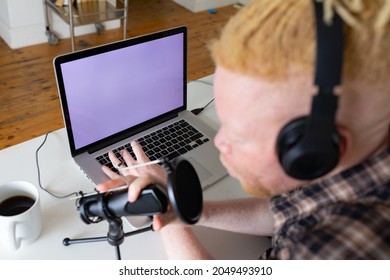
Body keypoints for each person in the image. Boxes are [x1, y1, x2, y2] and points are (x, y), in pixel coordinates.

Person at [97, 0, 390, 259]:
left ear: (313, 150)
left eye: (240, 137)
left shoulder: (334, 250)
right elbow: (291, 211)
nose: (219, 141)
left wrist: (161, 216)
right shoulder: (361, 152)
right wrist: (182, 207)